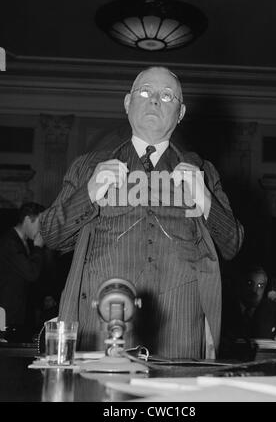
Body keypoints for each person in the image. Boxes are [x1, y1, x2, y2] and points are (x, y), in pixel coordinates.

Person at [40, 66, 244, 359]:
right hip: (99, 328)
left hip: (179, 334)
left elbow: (232, 245)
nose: (154, 101)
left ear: (181, 112)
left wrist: (207, 200)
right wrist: (88, 193)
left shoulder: (202, 171)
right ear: (127, 103)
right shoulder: (88, 166)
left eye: (167, 95)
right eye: (145, 92)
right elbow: (51, 236)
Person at [0, 202, 45, 341]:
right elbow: (31, 273)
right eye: (39, 223)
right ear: (27, 220)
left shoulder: (22, 242)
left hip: (19, 315)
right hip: (8, 315)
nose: (41, 229)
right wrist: (38, 247)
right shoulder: (10, 242)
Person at [221, 266, 276, 351]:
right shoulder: (224, 307)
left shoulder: (273, 309)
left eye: (260, 286)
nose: (254, 290)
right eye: (250, 283)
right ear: (241, 284)